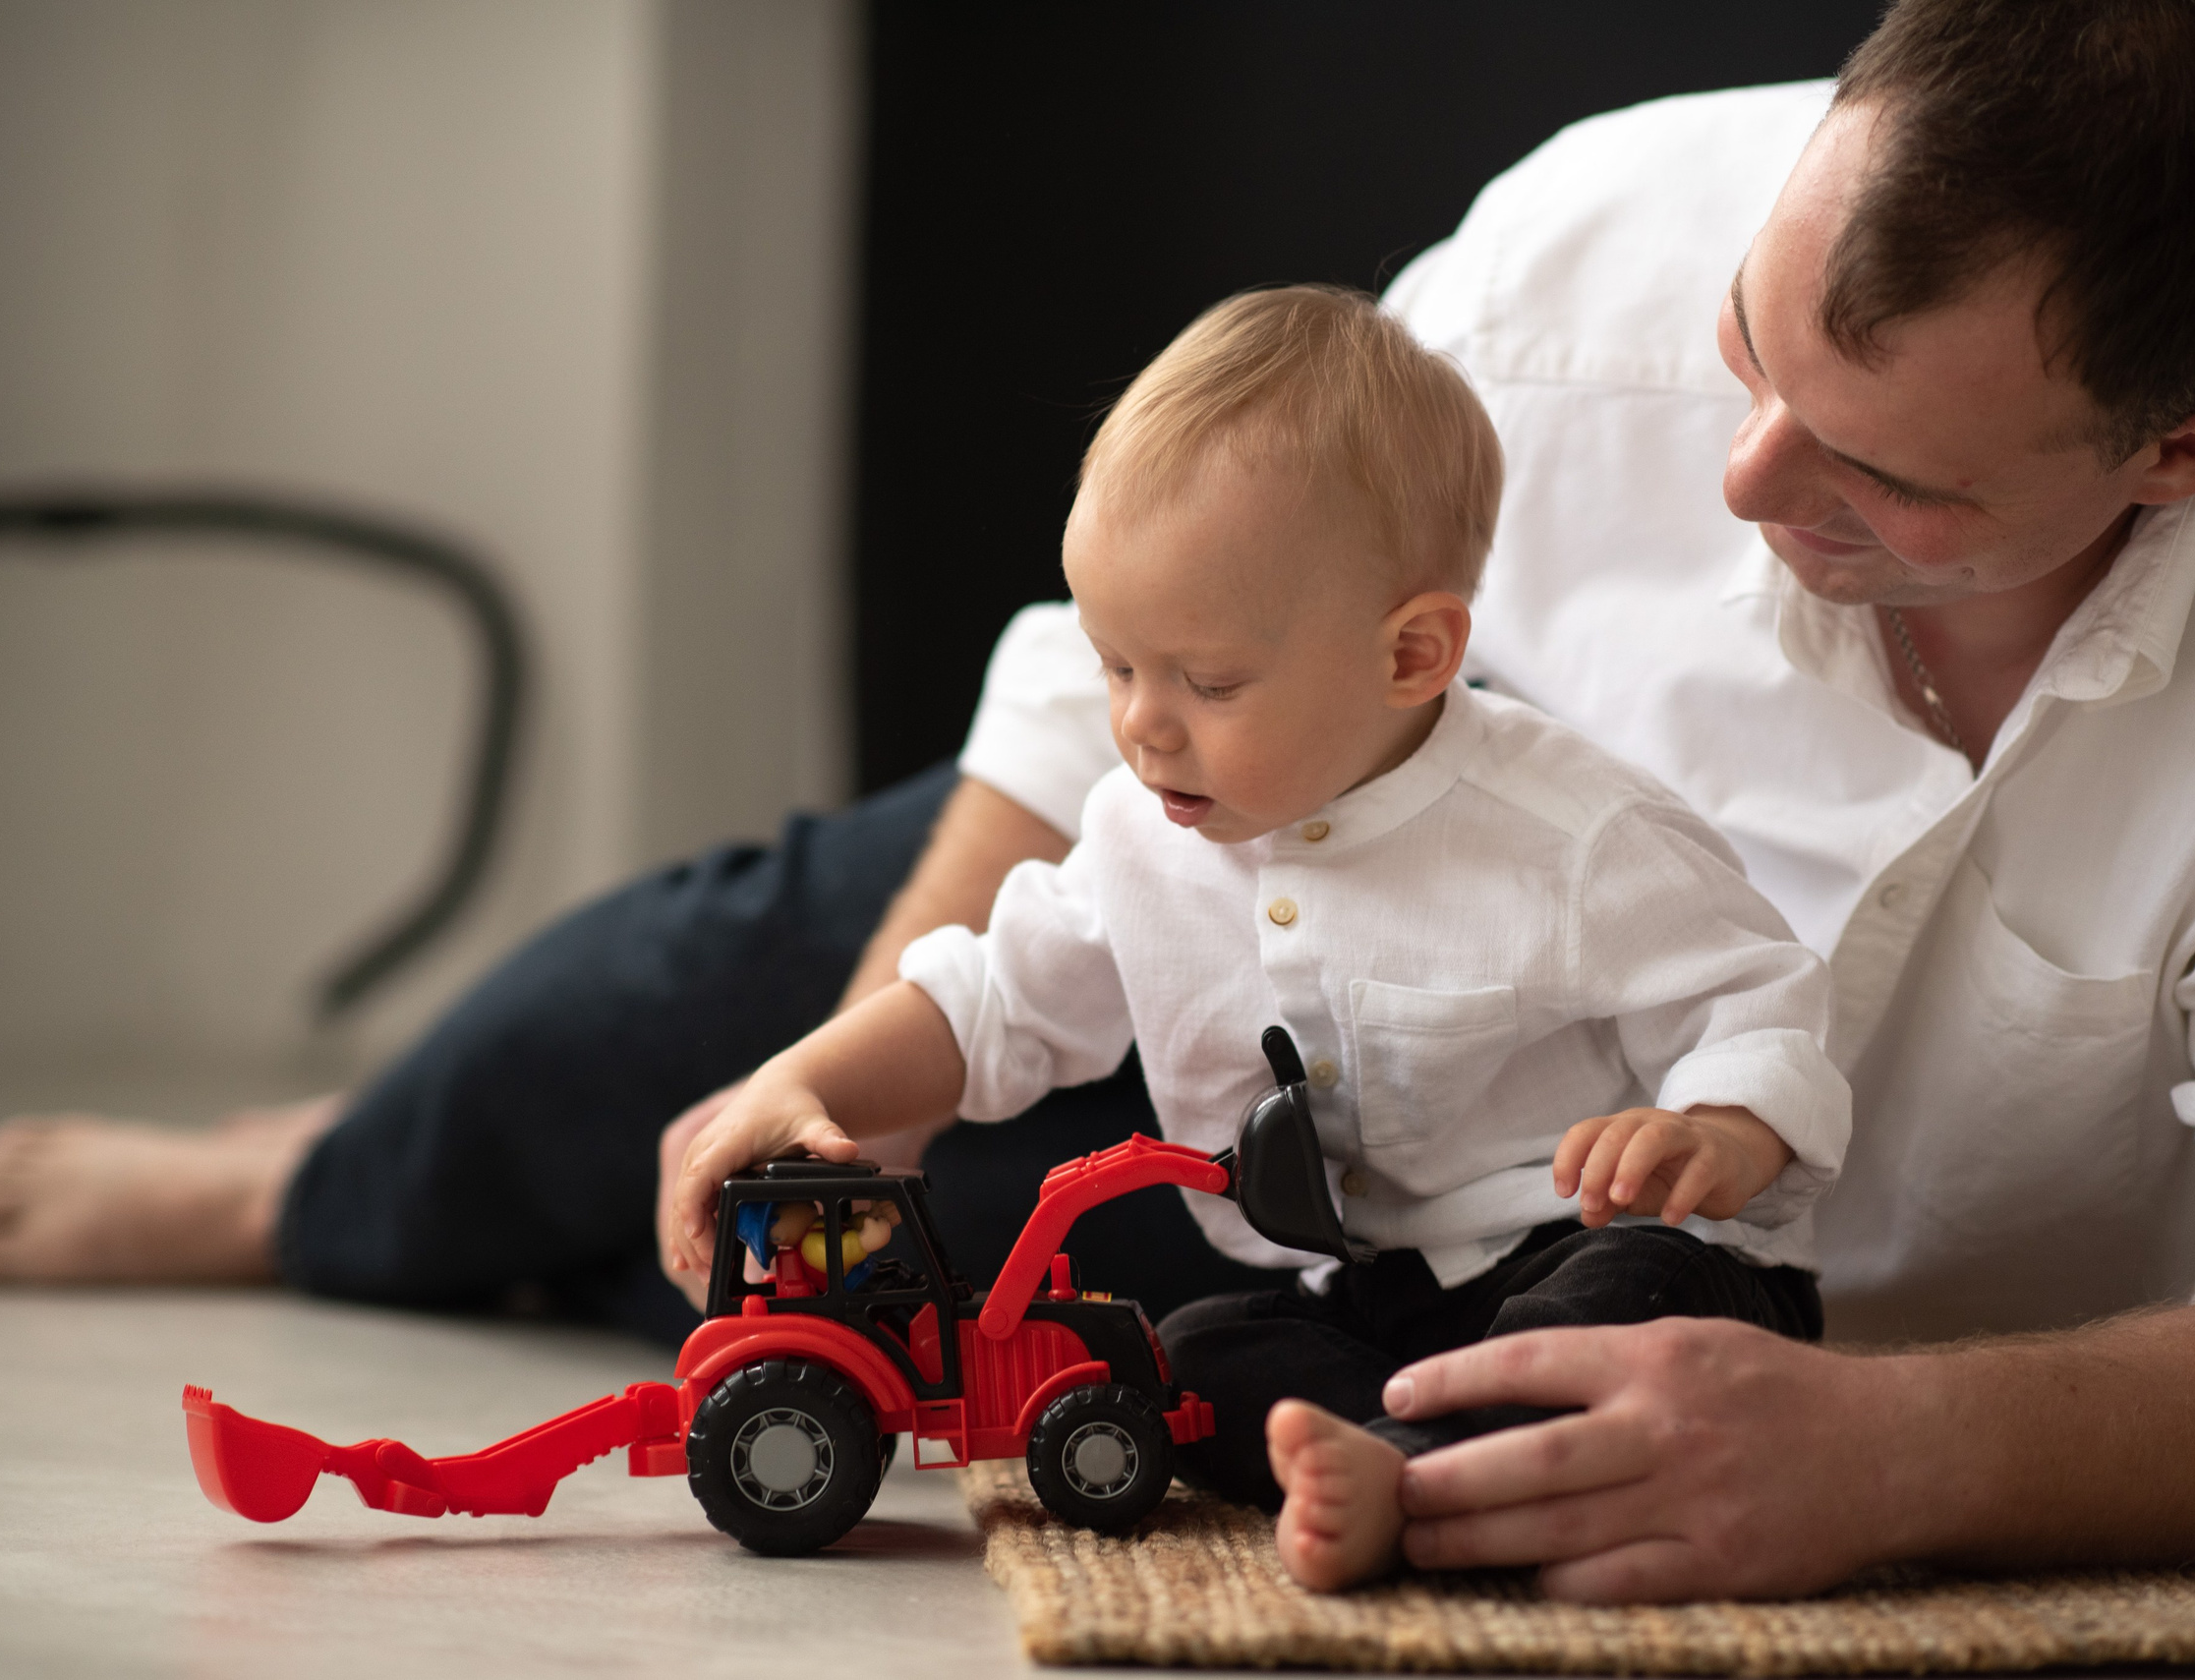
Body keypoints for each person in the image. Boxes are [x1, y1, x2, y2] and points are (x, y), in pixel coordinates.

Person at [0, 0, 2195, 1602]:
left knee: (1110, 1292)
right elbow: (1151, 664)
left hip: (1577, 1224)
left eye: (1877, 475)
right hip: (1254, 923)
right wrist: (882, 1041)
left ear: (2184, 449)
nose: (1736, 481)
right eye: (1747, 357)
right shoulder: (1593, 245)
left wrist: (1900, 1464)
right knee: (707, 1035)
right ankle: (303, 1172)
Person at [661, 285, 1850, 1591]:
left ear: (1412, 653)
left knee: (1614, 1314)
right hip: (1381, 1293)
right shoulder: (1138, 836)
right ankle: (1412, 1458)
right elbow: (988, 1000)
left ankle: (1422, 1465)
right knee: (1189, 1356)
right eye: (1117, 666)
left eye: (1207, 683)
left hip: (1605, 1247)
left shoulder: (1571, 830)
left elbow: (1759, 995)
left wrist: (1723, 1130)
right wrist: (808, 1081)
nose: (1144, 727)